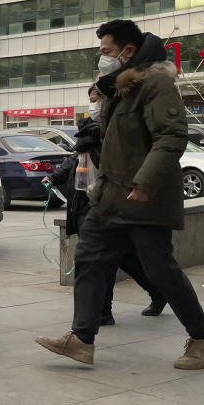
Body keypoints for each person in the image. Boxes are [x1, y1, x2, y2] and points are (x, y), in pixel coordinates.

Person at [36, 20, 204, 370]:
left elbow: (171, 137)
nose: (101, 58)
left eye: (106, 51)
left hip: (143, 199)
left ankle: (203, 338)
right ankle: (82, 339)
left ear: (128, 51)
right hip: (110, 198)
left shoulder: (156, 84)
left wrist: (144, 182)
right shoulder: (121, 89)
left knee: (161, 270)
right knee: (89, 257)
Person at [44, 85, 165, 327]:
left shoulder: (112, 131)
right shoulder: (87, 134)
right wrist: (56, 177)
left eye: (96, 99)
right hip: (84, 201)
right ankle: (155, 294)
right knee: (119, 258)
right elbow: (75, 159)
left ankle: (103, 312)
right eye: (90, 99)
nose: (93, 104)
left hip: (107, 202)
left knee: (107, 259)